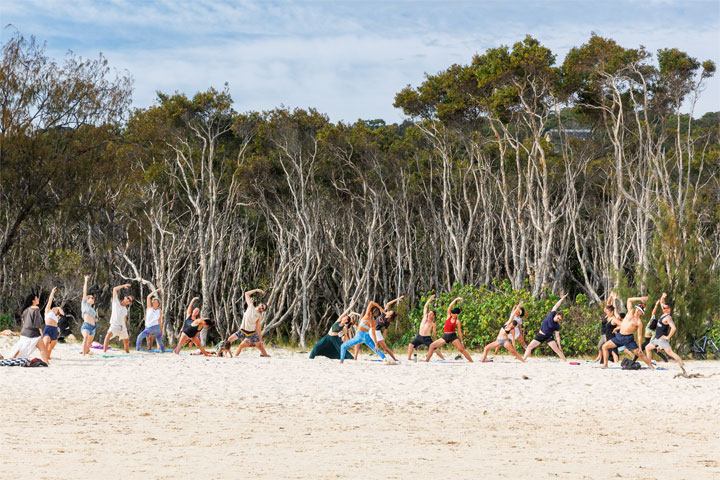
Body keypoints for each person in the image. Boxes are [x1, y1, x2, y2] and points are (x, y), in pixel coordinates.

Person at [601, 295, 654, 369]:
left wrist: (640, 347)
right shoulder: (630, 313)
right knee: (604, 346)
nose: (637, 311)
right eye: (637, 309)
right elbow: (629, 300)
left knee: (640, 353)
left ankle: (651, 367)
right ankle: (605, 364)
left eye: (640, 311)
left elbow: (639, 336)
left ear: (641, 313)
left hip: (628, 338)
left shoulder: (638, 322)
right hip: (619, 336)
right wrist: (639, 298)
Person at [645, 293, 685, 373]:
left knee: (670, 353)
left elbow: (673, 328)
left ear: (669, 309)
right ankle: (649, 365)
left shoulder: (668, 317)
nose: (663, 309)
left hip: (662, 339)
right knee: (647, 348)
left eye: (664, 308)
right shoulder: (664, 314)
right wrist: (663, 297)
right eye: (663, 308)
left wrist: (668, 337)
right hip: (657, 338)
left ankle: (682, 364)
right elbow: (662, 302)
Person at [523, 294, 569, 362]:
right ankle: (523, 359)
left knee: (557, 350)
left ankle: (565, 361)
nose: (558, 320)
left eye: (559, 319)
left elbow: (557, 336)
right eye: (558, 318)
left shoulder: (556, 325)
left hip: (548, 337)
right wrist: (562, 298)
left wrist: (559, 346)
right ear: (556, 315)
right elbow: (556, 305)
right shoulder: (551, 314)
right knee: (529, 346)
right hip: (541, 335)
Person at [425, 297, 473, 362]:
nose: (452, 314)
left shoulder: (457, 321)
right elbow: (450, 306)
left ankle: (471, 361)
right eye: (452, 313)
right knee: (432, 345)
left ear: (457, 314)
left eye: (454, 313)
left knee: (461, 350)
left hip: (453, 336)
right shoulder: (448, 316)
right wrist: (455, 299)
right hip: (445, 336)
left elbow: (459, 332)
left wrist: (462, 342)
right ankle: (427, 360)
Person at [227, 288, 270, 357]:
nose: (261, 308)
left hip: (251, 333)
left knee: (260, 346)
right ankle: (229, 354)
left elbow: (258, 327)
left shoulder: (259, 315)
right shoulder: (251, 306)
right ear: (260, 304)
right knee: (230, 339)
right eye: (262, 306)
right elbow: (246, 294)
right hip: (243, 331)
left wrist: (260, 339)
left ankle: (267, 356)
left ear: (263, 311)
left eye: (263, 309)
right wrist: (256, 290)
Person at [9, 292, 50, 364]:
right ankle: (47, 362)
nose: (38, 299)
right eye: (37, 298)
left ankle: (12, 358)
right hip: (33, 332)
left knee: (21, 347)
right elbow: (37, 322)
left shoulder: (25, 310)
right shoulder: (36, 309)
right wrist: (40, 332)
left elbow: (24, 321)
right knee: (42, 349)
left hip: (24, 332)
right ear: (33, 301)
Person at [407, 295, 444, 360]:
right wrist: (430, 299)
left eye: (431, 314)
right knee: (410, 345)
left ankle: (443, 358)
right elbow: (425, 306)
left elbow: (434, 333)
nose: (429, 314)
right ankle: (409, 358)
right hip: (419, 336)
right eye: (429, 313)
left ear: (433, 316)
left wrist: (434, 341)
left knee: (435, 349)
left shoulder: (433, 323)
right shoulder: (424, 318)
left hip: (427, 338)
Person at [633, 295, 668, 363]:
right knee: (655, 351)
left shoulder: (654, 331)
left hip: (649, 341)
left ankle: (634, 360)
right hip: (648, 340)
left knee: (640, 350)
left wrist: (656, 346)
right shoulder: (652, 320)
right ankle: (666, 360)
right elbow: (653, 313)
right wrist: (656, 305)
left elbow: (653, 339)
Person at [371, 296, 404, 362]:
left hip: (377, 331)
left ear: (390, 316)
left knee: (385, 347)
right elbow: (388, 304)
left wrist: (384, 339)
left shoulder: (387, 322)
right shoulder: (384, 313)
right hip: (372, 329)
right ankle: (382, 355)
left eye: (389, 312)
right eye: (389, 311)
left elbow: (385, 332)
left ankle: (394, 359)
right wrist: (397, 299)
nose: (388, 312)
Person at [103, 283, 133, 353]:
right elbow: (114, 289)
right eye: (128, 298)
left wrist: (125, 328)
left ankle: (127, 353)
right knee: (107, 336)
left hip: (122, 327)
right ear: (125, 297)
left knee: (126, 341)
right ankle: (104, 352)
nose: (128, 300)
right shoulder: (116, 302)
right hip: (114, 325)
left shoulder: (125, 309)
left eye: (130, 301)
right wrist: (123, 286)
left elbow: (124, 319)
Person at [136, 287, 165, 352]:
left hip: (156, 327)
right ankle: (137, 350)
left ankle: (163, 351)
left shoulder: (159, 311)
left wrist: (161, 330)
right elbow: (148, 297)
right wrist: (157, 290)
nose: (154, 303)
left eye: (156, 302)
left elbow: (160, 321)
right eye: (153, 302)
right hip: (148, 327)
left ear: (158, 304)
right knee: (139, 337)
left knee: (159, 341)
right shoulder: (149, 308)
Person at [595, 292, 620, 363]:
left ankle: (612, 360)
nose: (606, 310)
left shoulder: (613, 317)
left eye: (608, 310)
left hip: (610, 334)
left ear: (611, 311)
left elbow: (614, 309)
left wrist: (614, 299)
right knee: (604, 347)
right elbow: (608, 303)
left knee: (610, 348)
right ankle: (601, 358)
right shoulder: (607, 314)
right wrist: (610, 296)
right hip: (605, 333)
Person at [42, 287, 64, 360]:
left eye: (56, 309)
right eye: (54, 308)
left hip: (54, 329)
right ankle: (44, 357)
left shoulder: (56, 316)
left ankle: (48, 356)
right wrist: (52, 292)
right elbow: (50, 300)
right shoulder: (48, 311)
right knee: (46, 342)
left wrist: (59, 308)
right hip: (48, 328)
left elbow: (63, 314)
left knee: (53, 344)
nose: (55, 308)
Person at [80, 275, 98, 356]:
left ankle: (86, 351)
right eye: (91, 298)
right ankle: (83, 354)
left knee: (89, 342)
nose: (93, 299)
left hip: (93, 327)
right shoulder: (84, 304)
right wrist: (86, 281)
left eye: (93, 298)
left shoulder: (93, 309)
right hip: (86, 326)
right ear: (87, 299)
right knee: (86, 337)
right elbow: (84, 292)